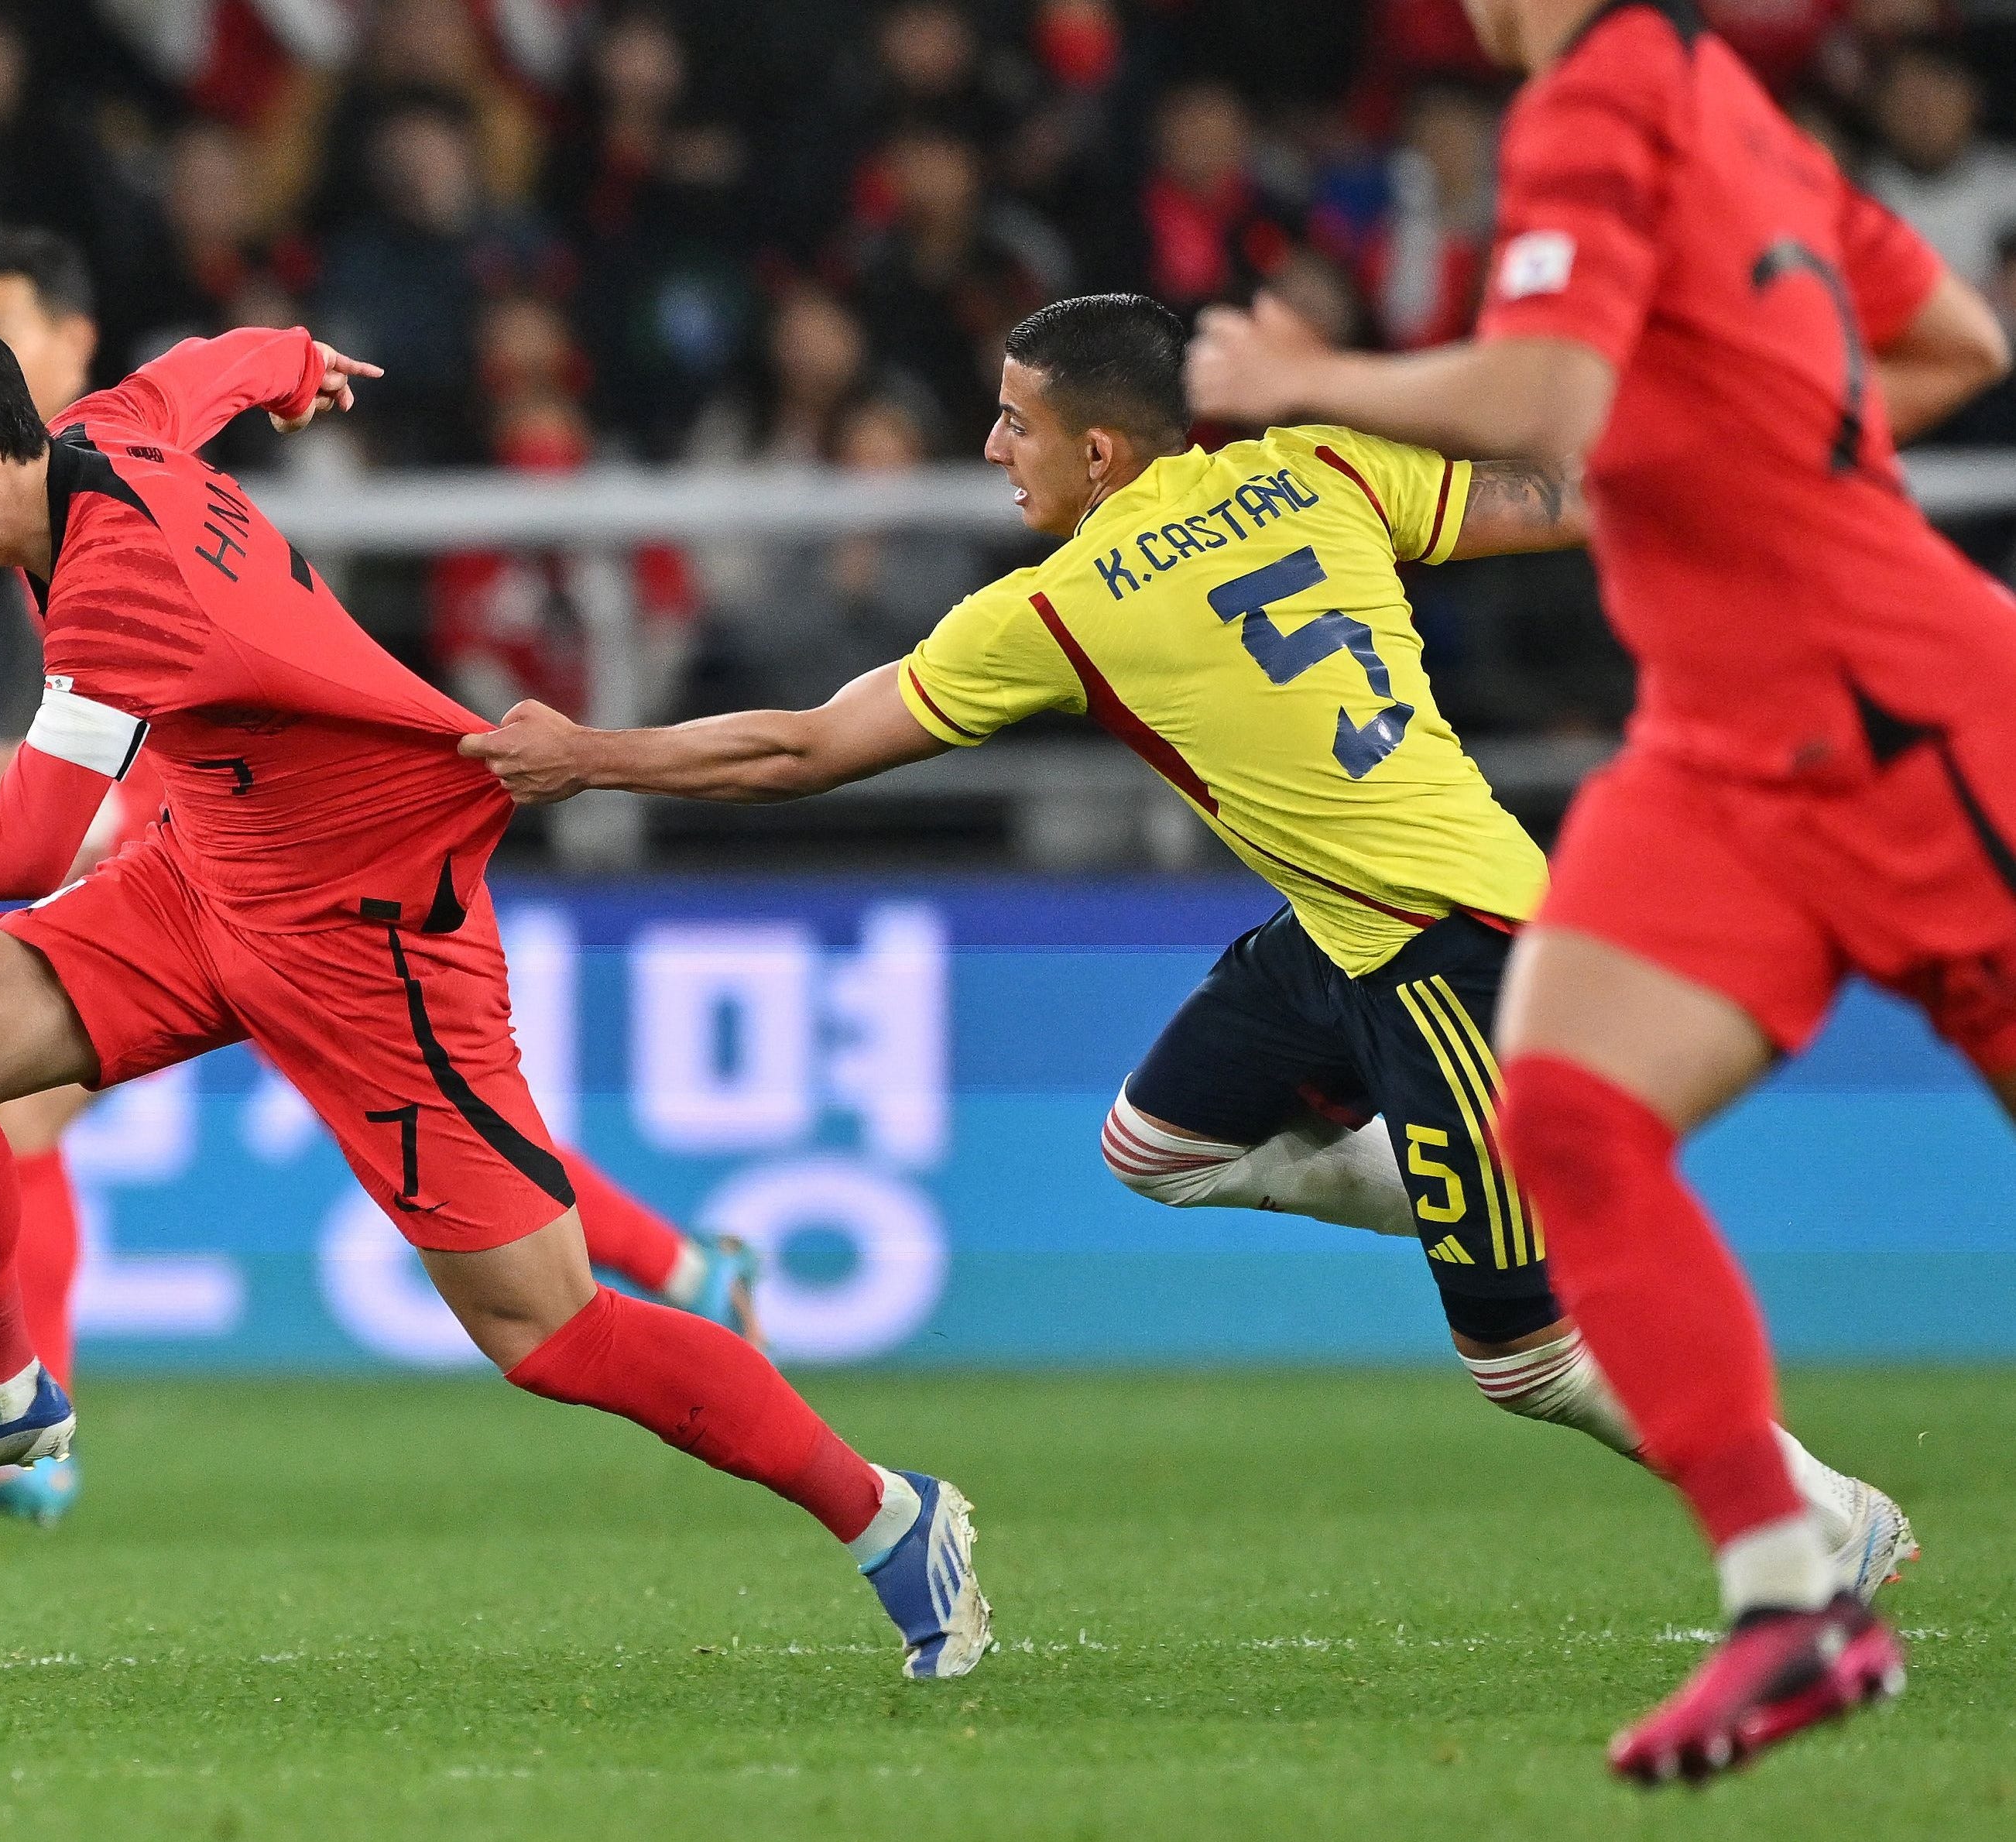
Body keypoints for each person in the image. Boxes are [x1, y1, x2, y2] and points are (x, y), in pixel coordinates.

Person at [456, 288, 1922, 1691]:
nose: (991, 447)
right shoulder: (1323, 468)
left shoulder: (1070, 604)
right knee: (1159, 1145)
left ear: (1098, 451)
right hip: (1355, 924)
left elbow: (799, 750)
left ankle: (1817, 1517)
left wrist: (590, 756)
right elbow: (1554, 500)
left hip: (1443, 950)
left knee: (1527, 1363)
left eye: (1014, 422)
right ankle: (1502, 1174)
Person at [0, 304, 992, 1682]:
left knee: (549, 1326)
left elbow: (25, 844)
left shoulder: (116, 586)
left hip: (369, 933)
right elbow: (198, 375)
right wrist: (295, 361)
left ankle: (890, 1517)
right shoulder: (100, 435)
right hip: (208, 877)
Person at [1179, 0, 2016, 1785]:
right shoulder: (1729, 103)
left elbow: (1548, 398)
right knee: (1561, 1115)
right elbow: (1941, 340)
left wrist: (1299, 378)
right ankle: (1788, 1594)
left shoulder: (1593, 98)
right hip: (1719, 749)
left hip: (1906, 720)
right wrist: (1742, 474)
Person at [0, 229, 763, 1528]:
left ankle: (683, 1269)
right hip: (204, 834)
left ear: (71, 339)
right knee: (38, 1113)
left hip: (279, 846)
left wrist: (80, 796)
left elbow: (208, 656)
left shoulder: (95, 462)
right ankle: (684, 1263)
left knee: (440, 1151)